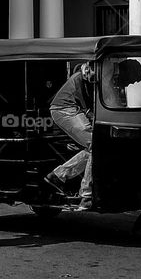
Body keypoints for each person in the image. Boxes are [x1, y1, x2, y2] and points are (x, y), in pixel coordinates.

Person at [44, 61, 97, 209]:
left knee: (94, 149)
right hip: (64, 109)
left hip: (72, 109)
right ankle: (86, 195)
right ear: (89, 68)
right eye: (94, 72)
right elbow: (88, 108)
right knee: (96, 145)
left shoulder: (88, 78)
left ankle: (58, 176)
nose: (96, 76)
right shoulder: (78, 79)